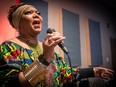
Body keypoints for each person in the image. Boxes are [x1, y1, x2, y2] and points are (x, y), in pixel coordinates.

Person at [0, 3, 114, 87]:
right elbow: (11, 84)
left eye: (38, 13)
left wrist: (93, 71)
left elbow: (65, 74)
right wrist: (44, 60)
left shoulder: (48, 48)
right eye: (29, 12)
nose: (36, 15)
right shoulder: (9, 47)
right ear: (18, 22)